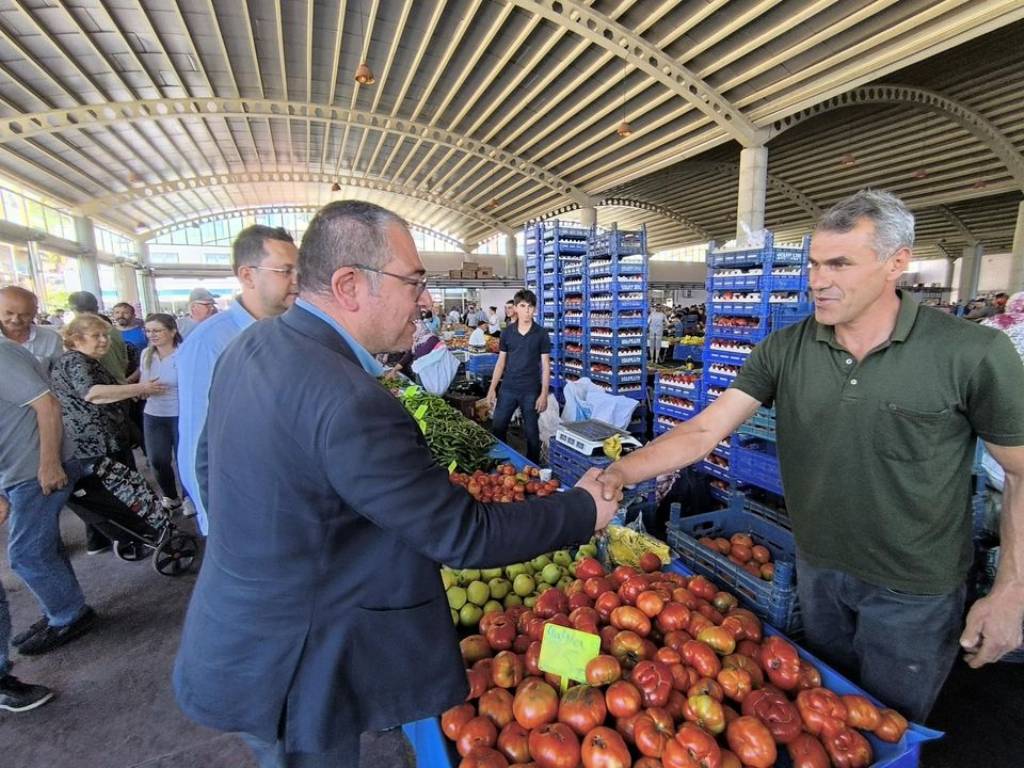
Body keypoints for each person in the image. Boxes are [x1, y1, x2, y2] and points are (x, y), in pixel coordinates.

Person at [172, 200, 620, 767]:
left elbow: (209, 468)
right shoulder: (348, 398)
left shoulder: (251, 347)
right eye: (414, 283)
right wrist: (582, 510)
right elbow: (463, 534)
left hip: (241, 628)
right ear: (350, 285)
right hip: (297, 663)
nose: (426, 302)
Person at [596, 189, 1024, 723]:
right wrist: (619, 470)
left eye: (840, 264)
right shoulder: (786, 347)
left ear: (897, 263)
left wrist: (1011, 590)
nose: (818, 280)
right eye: (815, 263)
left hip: (914, 591)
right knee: (824, 722)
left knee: (890, 726)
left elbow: (1018, 470)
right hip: (817, 571)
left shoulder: (972, 352)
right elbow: (706, 429)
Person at [176, 226, 299, 534]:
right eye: (286, 271)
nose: (298, 280)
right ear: (247, 276)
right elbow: (195, 439)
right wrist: (214, 522)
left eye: (299, 270)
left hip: (287, 498)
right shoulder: (211, 342)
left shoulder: (290, 332)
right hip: (243, 511)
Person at [0, 339, 94, 659]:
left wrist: (50, 463)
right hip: (19, 471)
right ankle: (63, 607)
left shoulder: (2, 354)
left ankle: (68, 615)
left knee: (28, 554)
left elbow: (48, 405)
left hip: (34, 470)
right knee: (42, 548)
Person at [51, 314, 166, 554]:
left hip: (98, 440)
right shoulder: (77, 361)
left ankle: (111, 540)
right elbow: (92, 393)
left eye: (105, 335)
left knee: (102, 496)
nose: (104, 341)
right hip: (98, 442)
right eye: (96, 336)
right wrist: (141, 388)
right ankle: (139, 536)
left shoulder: (80, 360)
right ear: (76, 338)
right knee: (121, 493)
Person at [486, 289, 551, 463]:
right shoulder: (507, 333)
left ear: (535, 309)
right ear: (515, 308)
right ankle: (502, 463)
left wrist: (544, 394)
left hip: (531, 390)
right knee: (498, 426)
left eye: (530, 306)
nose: (527, 310)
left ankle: (533, 468)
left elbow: (545, 366)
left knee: (531, 433)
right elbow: (501, 362)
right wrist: (492, 389)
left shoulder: (541, 334)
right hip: (508, 388)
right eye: (523, 306)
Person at [139, 314, 183, 511]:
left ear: (172, 331)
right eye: (148, 331)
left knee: (183, 459)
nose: (152, 335)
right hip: (154, 414)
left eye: (157, 330)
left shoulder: (184, 353)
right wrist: (142, 389)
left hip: (179, 413)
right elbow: (143, 381)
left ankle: (190, 498)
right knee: (157, 459)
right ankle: (170, 496)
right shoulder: (146, 354)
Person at [67, 291, 129, 381]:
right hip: (119, 384)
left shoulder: (83, 333)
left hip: (102, 388)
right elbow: (124, 360)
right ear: (96, 308)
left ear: (73, 309)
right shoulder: (112, 329)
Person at [0, 285, 63, 374]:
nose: (15, 320)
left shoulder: (50, 338)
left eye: (24, 315)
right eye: (9, 313)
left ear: (35, 312)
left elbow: (62, 374)